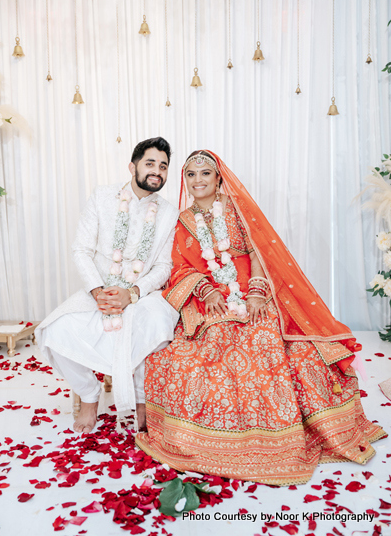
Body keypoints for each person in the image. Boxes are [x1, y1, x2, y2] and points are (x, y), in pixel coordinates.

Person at [136, 150, 387, 485]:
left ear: (218, 178)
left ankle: (277, 438)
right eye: (191, 175)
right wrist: (207, 292)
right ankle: (209, 438)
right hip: (209, 299)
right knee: (204, 348)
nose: (197, 181)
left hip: (252, 292)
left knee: (266, 339)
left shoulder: (238, 210)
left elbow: (260, 253)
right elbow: (180, 267)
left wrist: (256, 290)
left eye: (205, 173)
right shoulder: (183, 221)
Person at [36, 137, 179, 434]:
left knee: (154, 328)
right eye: (150, 163)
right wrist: (97, 291)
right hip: (98, 289)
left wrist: (133, 293)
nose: (157, 171)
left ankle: (141, 402)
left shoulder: (168, 213)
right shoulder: (102, 197)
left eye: (163, 166)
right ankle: (89, 395)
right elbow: (81, 250)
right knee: (55, 331)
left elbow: (164, 266)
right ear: (132, 166)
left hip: (143, 294)